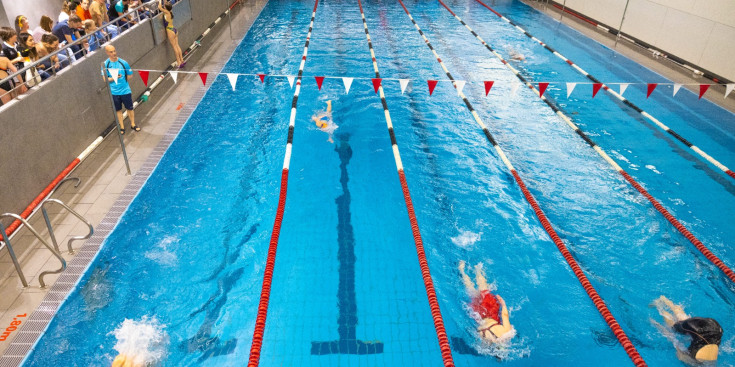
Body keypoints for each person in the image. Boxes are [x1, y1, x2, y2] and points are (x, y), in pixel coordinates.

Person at [653, 296, 722, 364]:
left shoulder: (712, 364)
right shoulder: (692, 361)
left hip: (716, 329)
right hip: (700, 332)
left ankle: (665, 300)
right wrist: (658, 326)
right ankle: (658, 305)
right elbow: (677, 349)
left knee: (684, 320)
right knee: (673, 328)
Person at [459, 260, 513, 343]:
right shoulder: (487, 342)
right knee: (471, 290)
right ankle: (462, 271)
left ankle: (477, 269)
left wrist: (503, 304)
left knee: (483, 288)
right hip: (479, 315)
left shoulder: (506, 333)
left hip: (490, 311)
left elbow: (505, 315)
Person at [102, 45, 140, 134]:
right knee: (118, 110)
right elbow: (105, 79)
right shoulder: (105, 64)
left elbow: (130, 75)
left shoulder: (123, 63)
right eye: (111, 52)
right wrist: (115, 77)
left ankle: (133, 124)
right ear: (107, 53)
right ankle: (122, 127)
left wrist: (122, 79)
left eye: (114, 51)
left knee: (130, 108)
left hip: (125, 90)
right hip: (114, 92)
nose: (114, 53)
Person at [158, 0, 184, 68]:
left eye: (164, 6)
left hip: (170, 31)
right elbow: (166, 5)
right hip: (174, 29)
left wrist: (159, 1)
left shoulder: (166, 12)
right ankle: (182, 60)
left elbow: (159, 7)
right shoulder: (170, 11)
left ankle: (178, 62)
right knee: (177, 45)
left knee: (174, 47)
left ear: (166, 8)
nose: (164, 6)